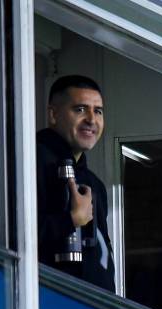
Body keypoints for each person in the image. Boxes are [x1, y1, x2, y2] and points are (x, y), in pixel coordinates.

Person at [36, 75, 115, 292]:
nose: (91, 119)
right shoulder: (29, 164)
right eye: (80, 109)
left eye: (97, 111)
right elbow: (9, 240)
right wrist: (71, 220)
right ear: (53, 114)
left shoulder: (93, 183)